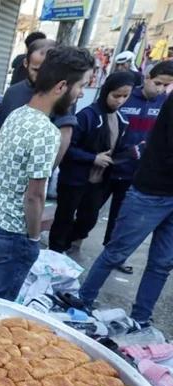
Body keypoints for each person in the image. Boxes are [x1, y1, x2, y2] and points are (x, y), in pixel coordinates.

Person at [0, 46, 94, 301]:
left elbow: (0, 165)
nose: (81, 93)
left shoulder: (17, 114)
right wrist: (34, 238)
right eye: (81, 86)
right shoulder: (46, 132)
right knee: (0, 306)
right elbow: (34, 196)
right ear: (61, 86)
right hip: (15, 234)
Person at [78, 94, 173, 326]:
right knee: (116, 253)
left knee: (162, 264)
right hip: (150, 192)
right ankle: (82, 302)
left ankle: (140, 320)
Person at [49, 72, 135, 254]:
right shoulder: (87, 116)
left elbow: (117, 149)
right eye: (116, 95)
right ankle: (54, 254)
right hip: (74, 179)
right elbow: (67, 148)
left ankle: (65, 244)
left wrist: (131, 153)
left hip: (99, 182)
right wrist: (93, 158)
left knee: (88, 220)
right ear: (106, 92)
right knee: (64, 217)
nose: (120, 101)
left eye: (125, 97)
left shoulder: (121, 120)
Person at [104, 60, 173, 272]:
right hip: (110, 165)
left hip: (138, 174)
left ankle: (115, 256)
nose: (160, 89)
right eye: (158, 83)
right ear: (148, 78)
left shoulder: (164, 103)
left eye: (166, 86)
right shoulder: (125, 96)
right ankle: (73, 242)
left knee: (119, 219)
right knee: (89, 212)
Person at [0, 39, 77, 169]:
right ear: (25, 63)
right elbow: (0, 132)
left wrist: (42, 176)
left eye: (45, 70)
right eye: (35, 70)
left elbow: (63, 139)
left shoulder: (62, 95)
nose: (41, 76)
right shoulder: (12, 93)